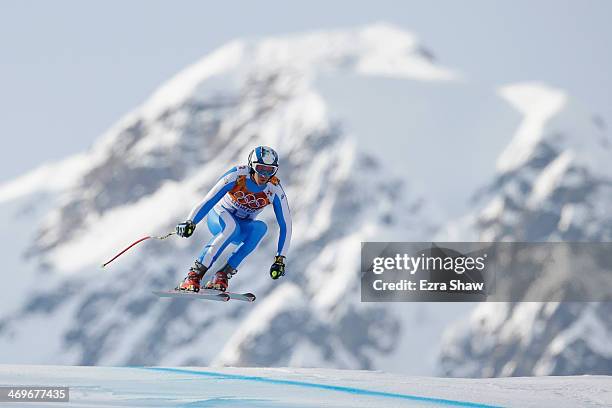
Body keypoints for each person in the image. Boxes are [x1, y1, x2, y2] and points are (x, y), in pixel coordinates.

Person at [174, 146, 292, 292]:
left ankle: (222, 275)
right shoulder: (238, 175)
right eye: (261, 168)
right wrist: (191, 221)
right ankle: (193, 276)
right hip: (220, 217)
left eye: (270, 170)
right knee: (231, 227)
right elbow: (209, 200)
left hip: (242, 226)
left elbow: (286, 225)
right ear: (252, 166)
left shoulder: (274, 188)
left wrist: (280, 259)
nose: (264, 175)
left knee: (261, 228)